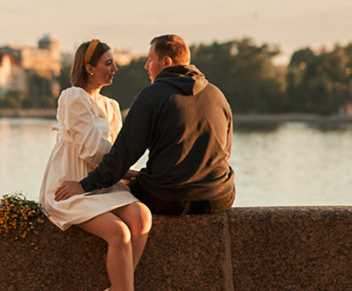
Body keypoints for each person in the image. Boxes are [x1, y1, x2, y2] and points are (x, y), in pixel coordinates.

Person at [40, 38, 162, 291]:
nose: (114, 69)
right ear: (88, 67)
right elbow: (92, 150)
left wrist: (120, 170)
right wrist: (122, 170)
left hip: (102, 184)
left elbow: (115, 153)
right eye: (108, 63)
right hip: (72, 185)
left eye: (113, 63)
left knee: (142, 216)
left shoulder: (111, 106)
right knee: (119, 233)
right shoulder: (72, 97)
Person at [54, 33, 235, 217]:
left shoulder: (151, 96)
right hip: (219, 197)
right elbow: (225, 150)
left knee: (119, 195)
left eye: (150, 60)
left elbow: (124, 153)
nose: (146, 66)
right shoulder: (217, 95)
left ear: (166, 62)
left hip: (169, 200)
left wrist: (84, 185)